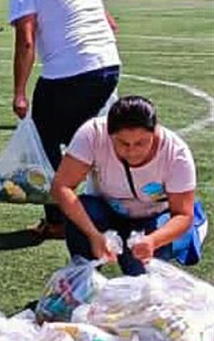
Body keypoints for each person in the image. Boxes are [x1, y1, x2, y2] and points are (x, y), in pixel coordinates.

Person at [8, 0, 120, 240]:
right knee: (81, 138)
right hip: (108, 66)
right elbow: (110, 23)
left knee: (43, 140)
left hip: (71, 72)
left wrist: (19, 92)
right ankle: (112, 203)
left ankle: (59, 218)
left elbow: (26, 42)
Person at [51, 95, 205, 276]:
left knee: (137, 271)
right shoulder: (93, 134)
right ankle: (84, 280)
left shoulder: (176, 153)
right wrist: (93, 235)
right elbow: (62, 186)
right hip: (105, 210)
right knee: (85, 210)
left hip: (153, 217)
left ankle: (146, 273)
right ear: (109, 134)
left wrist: (152, 241)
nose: (132, 151)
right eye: (123, 143)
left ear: (155, 132)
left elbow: (183, 215)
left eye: (141, 143)